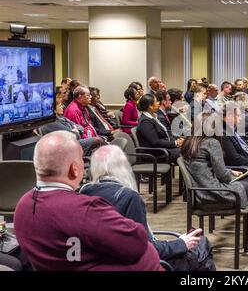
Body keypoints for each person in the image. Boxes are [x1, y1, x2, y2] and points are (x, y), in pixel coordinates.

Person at [13, 131, 163, 271]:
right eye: (80, 158)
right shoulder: (86, 209)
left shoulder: (22, 207)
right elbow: (137, 242)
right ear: (75, 169)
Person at [80, 145, 215, 270]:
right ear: (123, 167)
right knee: (202, 245)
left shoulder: (83, 192)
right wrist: (181, 244)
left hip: (103, 260)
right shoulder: (129, 197)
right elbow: (145, 248)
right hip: (136, 262)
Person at [182, 112, 248, 256]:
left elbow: (205, 167)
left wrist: (231, 171)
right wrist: (232, 174)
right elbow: (223, 176)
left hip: (201, 193)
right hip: (216, 193)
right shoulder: (212, 143)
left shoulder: (190, 142)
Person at [40, 98, 105, 156]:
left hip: (74, 142)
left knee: (98, 147)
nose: (63, 106)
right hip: (67, 147)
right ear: (54, 109)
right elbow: (74, 136)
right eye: (59, 105)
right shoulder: (51, 123)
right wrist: (74, 130)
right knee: (98, 140)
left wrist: (74, 129)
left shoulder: (61, 117)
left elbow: (81, 128)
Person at [136, 93, 183, 164]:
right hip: (154, 154)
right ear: (150, 106)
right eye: (156, 102)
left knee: (187, 150)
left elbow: (164, 135)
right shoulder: (145, 122)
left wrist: (176, 141)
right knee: (186, 152)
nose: (158, 103)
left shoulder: (153, 117)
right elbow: (155, 142)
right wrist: (175, 143)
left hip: (161, 150)